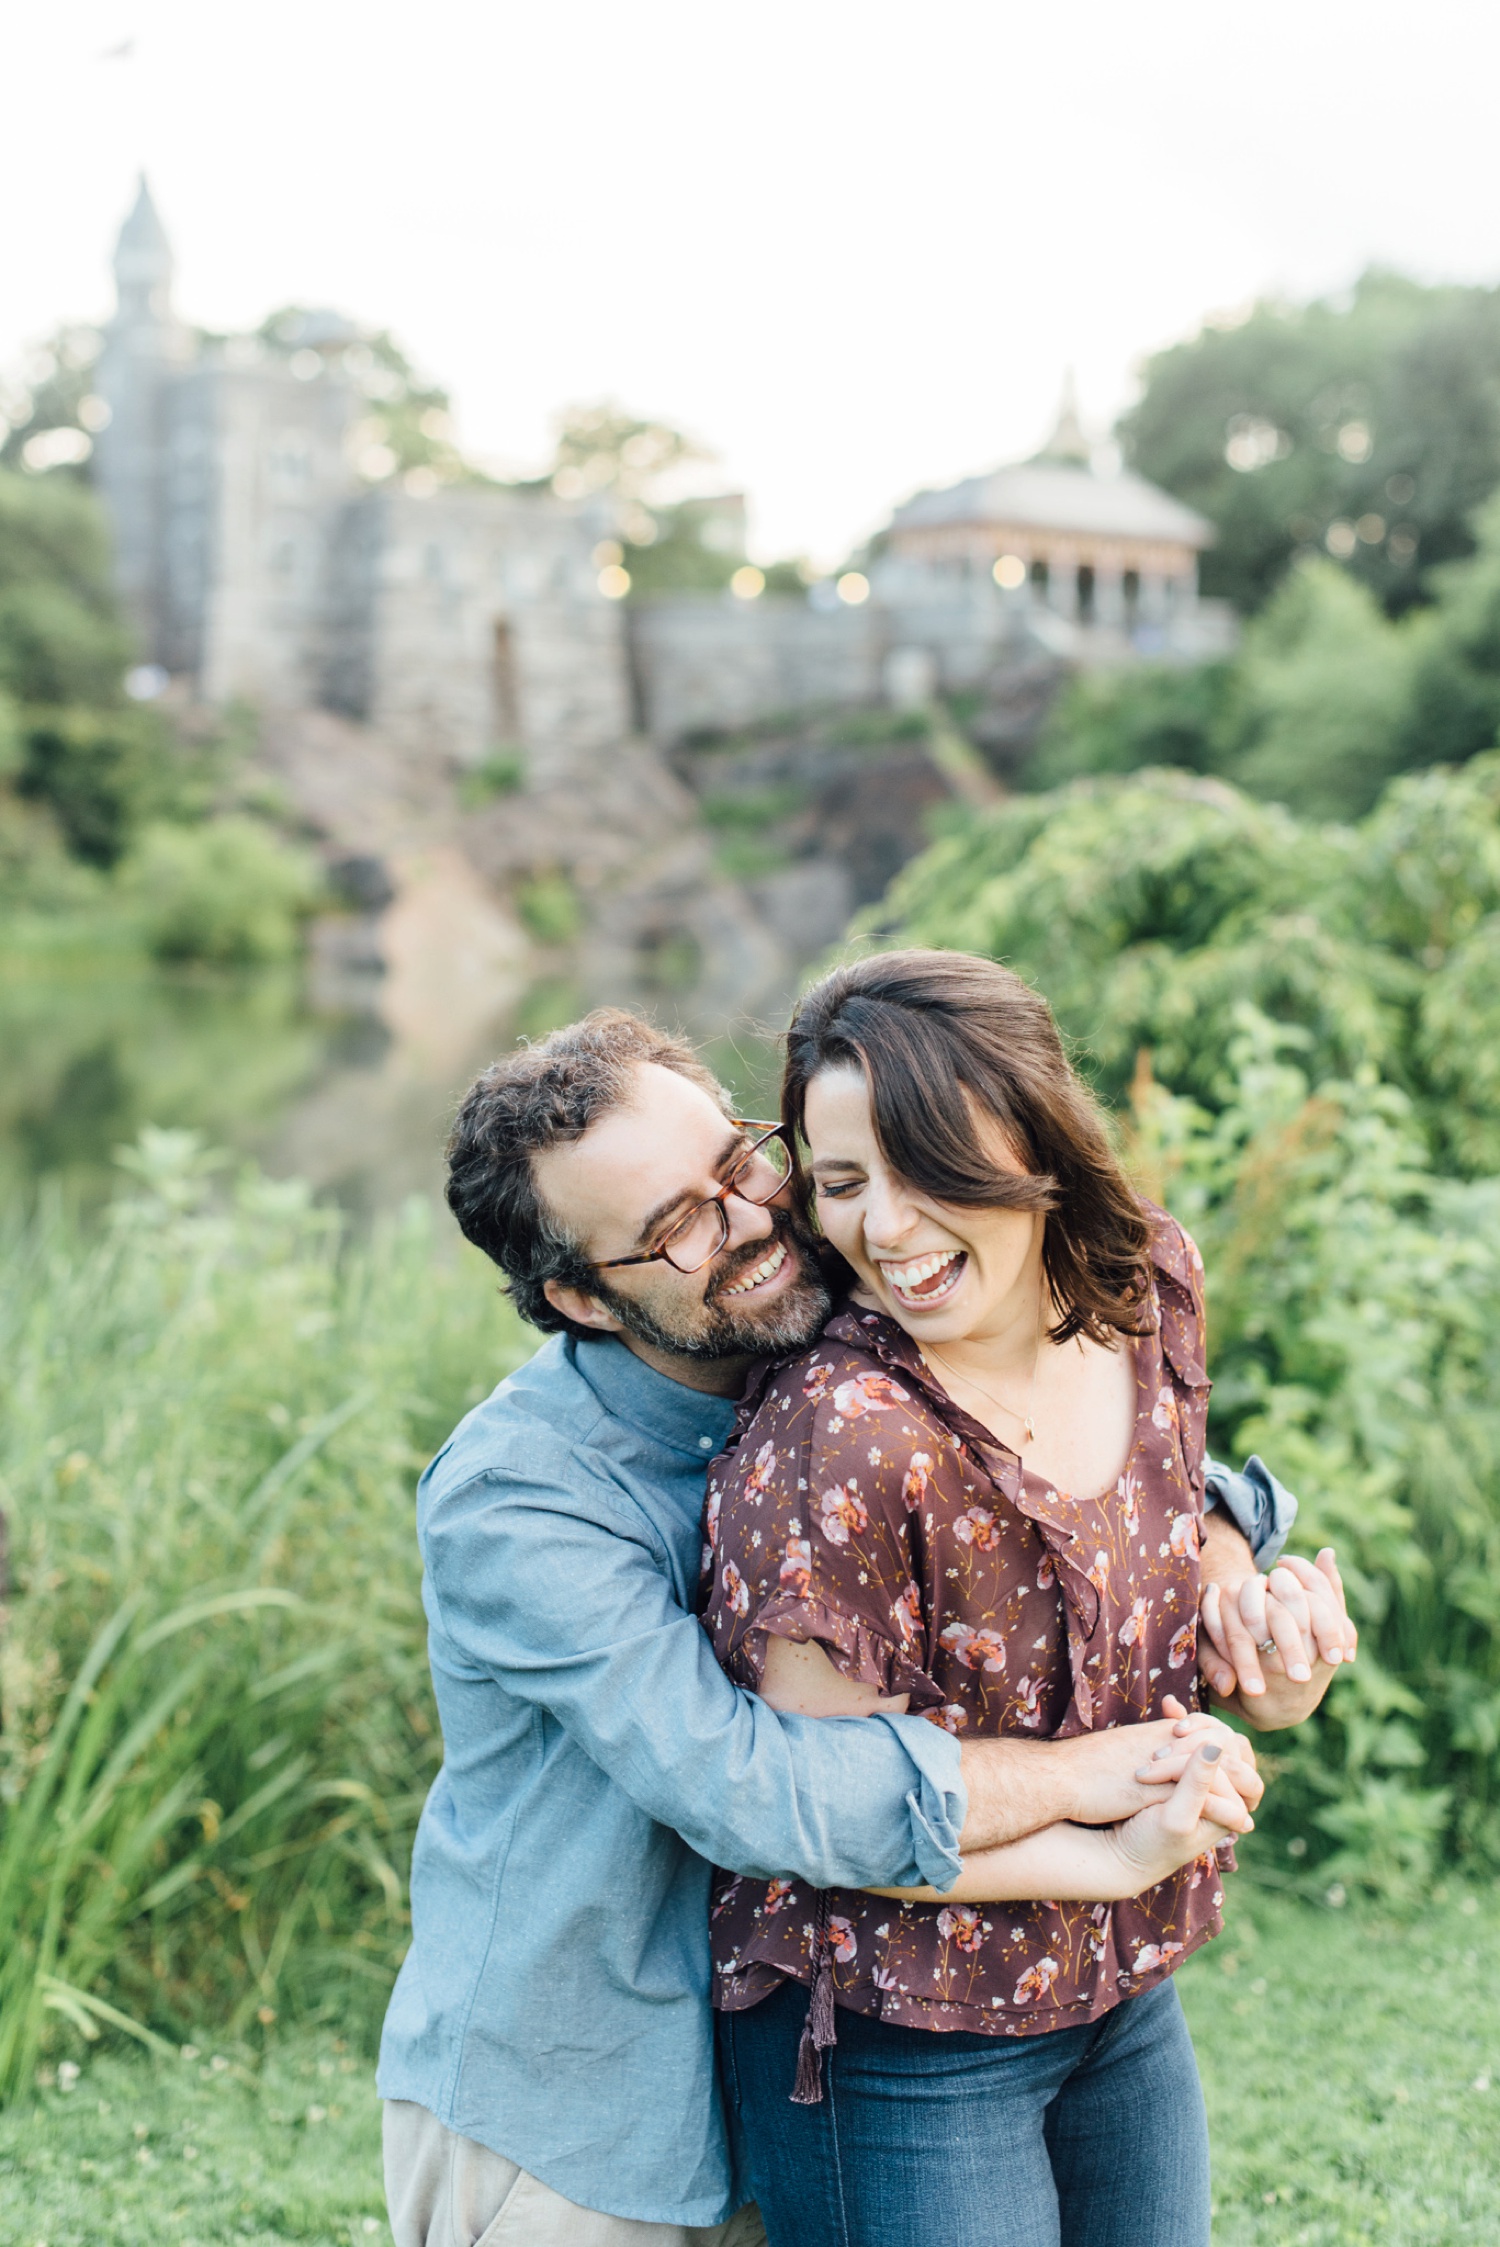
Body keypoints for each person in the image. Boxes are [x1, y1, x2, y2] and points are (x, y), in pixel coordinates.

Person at [378, 1007, 1354, 2246]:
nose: (746, 1224)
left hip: (816, 2032)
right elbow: (748, 1786)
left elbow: (1052, 1435)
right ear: (576, 1295)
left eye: (738, 1164)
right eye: (673, 1229)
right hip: (589, 2112)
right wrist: (1087, 1786)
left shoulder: (835, 1282)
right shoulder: (520, 1503)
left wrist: (1223, 1558)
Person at [702, 952, 1352, 2247]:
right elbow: (820, 1808)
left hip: (1118, 1989)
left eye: (926, 1159)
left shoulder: (1147, 1285)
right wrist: (1109, 1848)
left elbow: (1169, 1561)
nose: (884, 1224)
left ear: (1037, 1135)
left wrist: (1266, 1656)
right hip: (897, 2028)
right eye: (841, 1182)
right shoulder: (847, 1431)